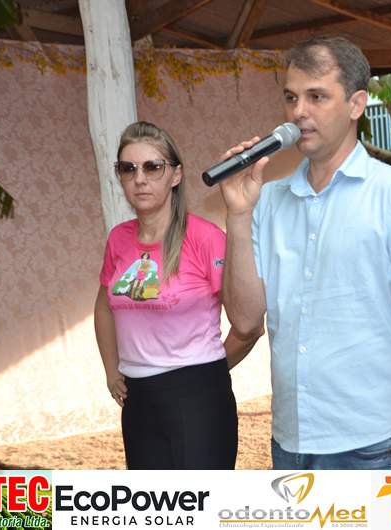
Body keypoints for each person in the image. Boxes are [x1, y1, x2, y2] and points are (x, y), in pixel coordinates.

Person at [219, 35, 391, 470]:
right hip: (291, 440)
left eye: (317, 97)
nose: (298, 112)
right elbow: (246, 320)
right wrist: (237, 214)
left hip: (376, 440)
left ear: (356, 104)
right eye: (291, 97)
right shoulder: (267, 201)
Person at [94, 122, 260, 470]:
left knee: (200, 501)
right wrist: (112, 370)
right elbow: (105, 305)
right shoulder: (118, 238)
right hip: (138, 400)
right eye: (129, 168)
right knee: (152, 502)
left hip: (198, 401)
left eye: (153, 167)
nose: (140, 179)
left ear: (176, 175)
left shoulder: (205, 238)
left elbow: (249, 325)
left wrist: (208, 371)